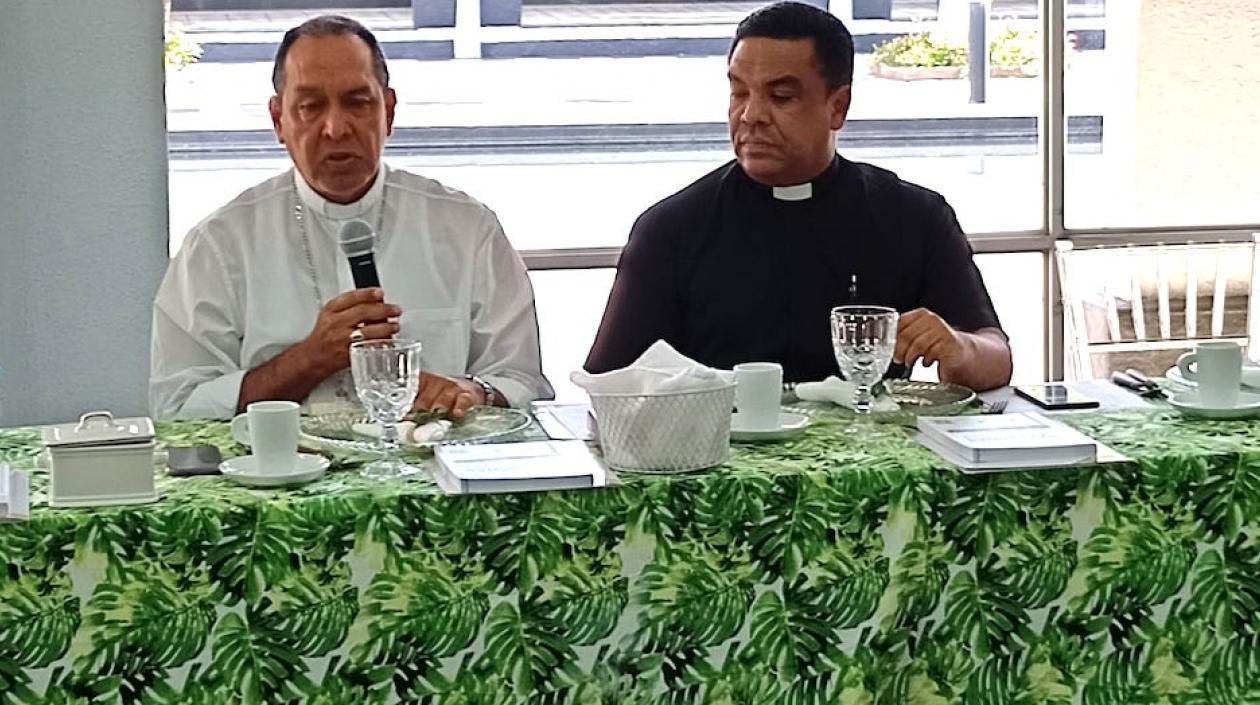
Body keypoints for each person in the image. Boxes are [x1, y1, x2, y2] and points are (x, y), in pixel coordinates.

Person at [584, 1, 1011, 391]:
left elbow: (996, 357)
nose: (751, 115)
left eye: (780, 97)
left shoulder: (912, 216)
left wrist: (960, 349)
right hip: (719, 448)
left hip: (870, 447)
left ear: (837, 106)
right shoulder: (672, 228)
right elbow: (607, 384)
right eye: (739, 92)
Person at [151, 15, 553, 420]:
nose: (335, 128)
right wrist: (311, 359)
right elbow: (178, 404)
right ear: (278, 120)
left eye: (357, 103)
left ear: (388, 111)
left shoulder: (468, 229)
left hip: (431, 454)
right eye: (310, 107)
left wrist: (471, 392)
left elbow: (524, 383)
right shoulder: (221, 244)